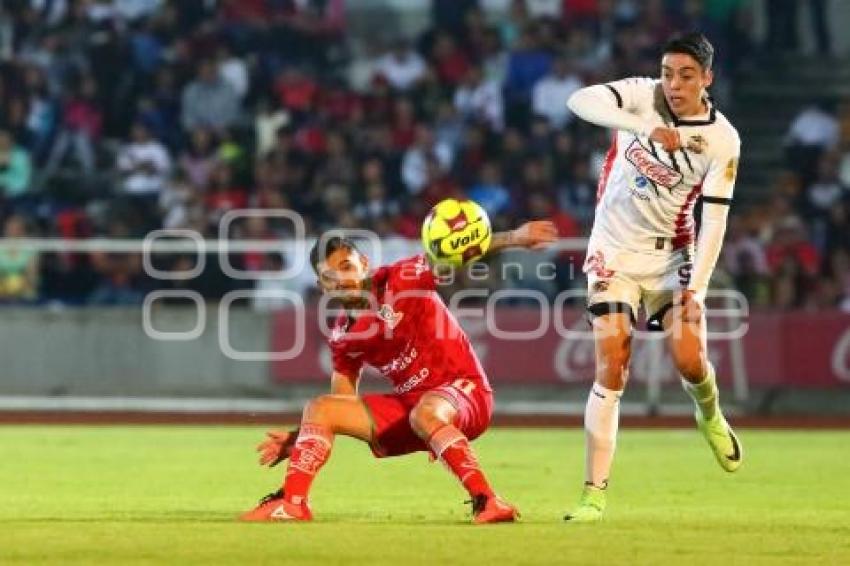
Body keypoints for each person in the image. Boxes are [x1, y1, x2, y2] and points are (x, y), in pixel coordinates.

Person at [240, 220, 558, 523]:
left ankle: (487, 500)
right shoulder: (342, 336)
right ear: (321, 286)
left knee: (425, 413)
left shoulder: (402, 278)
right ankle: (293, 503)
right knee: (320, 408)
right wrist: (302, 437)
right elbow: (343, 403)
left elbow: (454, 256)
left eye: (347, 267)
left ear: (364, 262)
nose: (341, 280)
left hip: (464, 391)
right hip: (414, 409)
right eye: (329, 276)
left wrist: (514, 238)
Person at [564, 32, 743, 521]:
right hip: (613, 251)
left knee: (689, 360)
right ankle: (593, 494)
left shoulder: (721, 139)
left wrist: (697, 291)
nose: (674, 84)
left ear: (707, 78)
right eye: (668, 73)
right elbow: (580, 100)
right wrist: (639, 127)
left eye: (686, 76)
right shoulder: (642, 95)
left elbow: (716, 219)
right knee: (613, 363)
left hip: (671, 257)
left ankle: (709, 413)